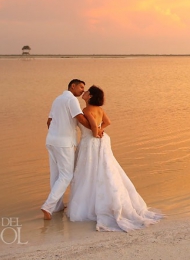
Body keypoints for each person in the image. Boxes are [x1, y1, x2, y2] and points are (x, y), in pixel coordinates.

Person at [67, 85, 163, 231]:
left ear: (90, 96)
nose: (84, 93)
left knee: (89, 172)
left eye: (86, 92)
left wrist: (96, 131)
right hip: (103, 142)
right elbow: (108, 122)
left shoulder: (86, 110)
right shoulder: (100, 110)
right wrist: (101, 128)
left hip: (91, 142)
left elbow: (93, 126)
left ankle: (90, 204)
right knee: (104, 170)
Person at [41, 79, 93, 220]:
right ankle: (48, 206)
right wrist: (96, 129)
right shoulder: (71, 100)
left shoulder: (57, 99)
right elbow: (80, 119)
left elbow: (49, 121)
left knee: (56, 175)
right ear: (73, 86)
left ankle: (57, 207)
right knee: (66, 175)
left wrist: (55, 134)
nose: (83, 90)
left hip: (51, 141)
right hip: (64, 143)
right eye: (81, 87)